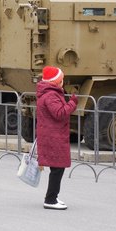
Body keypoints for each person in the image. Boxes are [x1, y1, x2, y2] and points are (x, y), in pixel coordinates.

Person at [36, 66, 78, 210]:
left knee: (57, 168)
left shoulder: (48, 93)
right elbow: (60, 113)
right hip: (53, 135)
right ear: (55, 82)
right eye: (61, 80)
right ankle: (50, 199)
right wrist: (72, 102)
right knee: (58, 168)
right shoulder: (51, 95)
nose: (63, 83)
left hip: (52, 134)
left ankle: (52, 196)